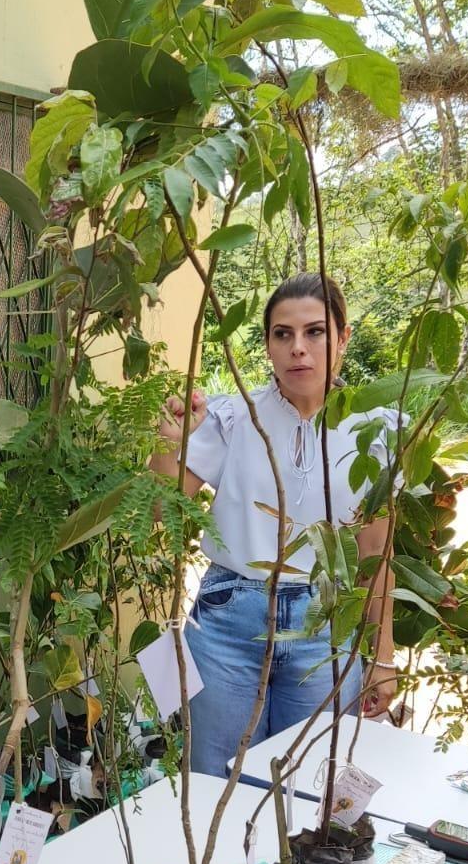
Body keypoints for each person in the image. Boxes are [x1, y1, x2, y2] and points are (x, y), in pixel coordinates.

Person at [150, 273, 399, 777]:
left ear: (343, 336)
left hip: (323, 624)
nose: (298, 349)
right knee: (216, 783)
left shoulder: (373, 429)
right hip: (227, 625)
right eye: (282, 334)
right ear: (267, 343)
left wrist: (383, 656)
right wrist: (169, 441)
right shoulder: (231, 418)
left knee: (310, 789)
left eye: (315, 332)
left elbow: (375, 552)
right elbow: (160, 510)